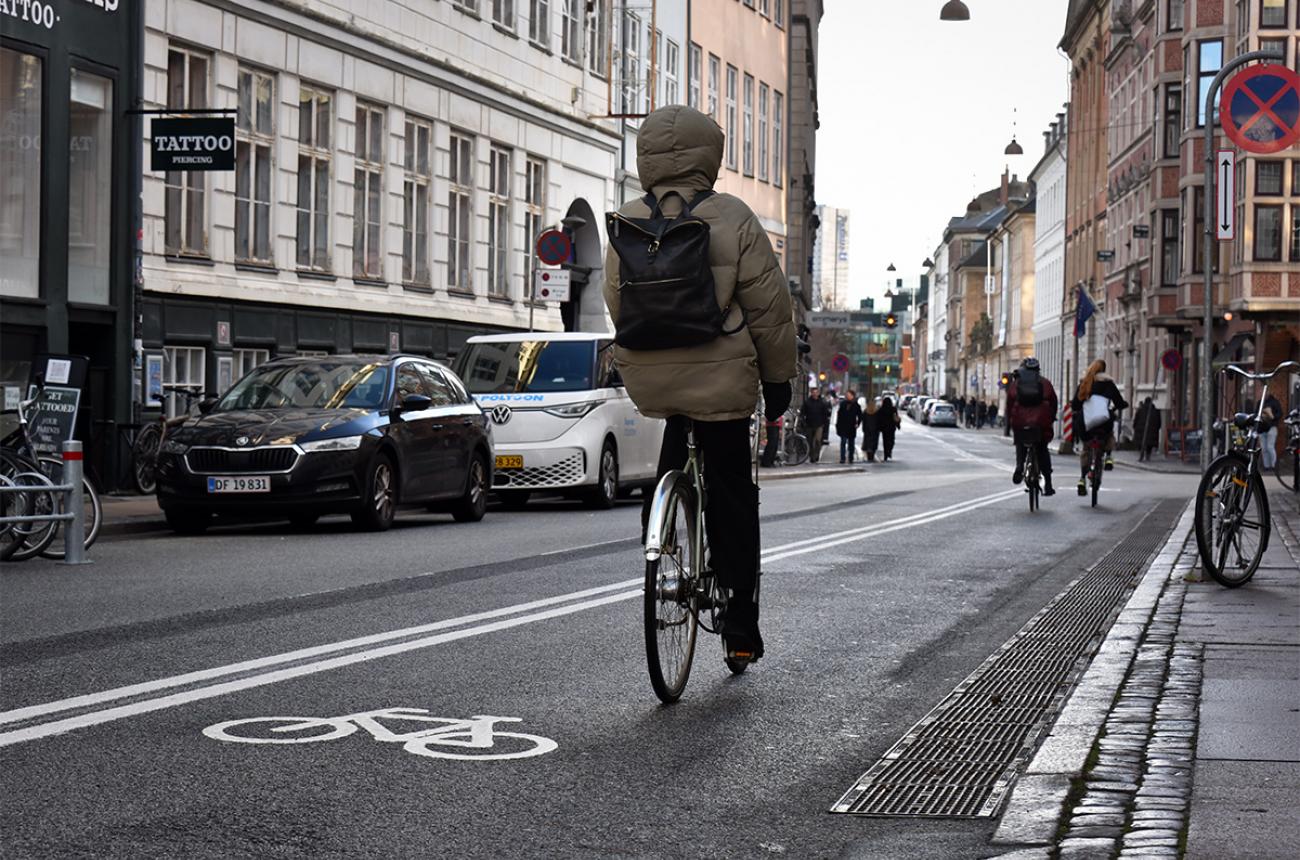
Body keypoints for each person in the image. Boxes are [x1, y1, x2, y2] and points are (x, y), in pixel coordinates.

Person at [603, 105, 797, 663]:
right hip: (722, 379)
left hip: (653, 379)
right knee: (733, 490)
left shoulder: (628, 218)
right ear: (709, 155)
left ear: (647, 157)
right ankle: (739, 626)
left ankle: (660, 527)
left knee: (675, 444)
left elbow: (617, 302)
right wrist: (779, 378)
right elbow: (770, 309)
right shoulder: (733, 217)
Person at [1072, 359, 1128, 495]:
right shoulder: (1109, 384)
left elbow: (1075, 405)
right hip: (1103, 422)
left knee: (1086, 447)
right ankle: (1108, 456)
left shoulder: (1084, 383)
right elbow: (1119, 402)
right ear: (1104, 370)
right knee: (1109, 434)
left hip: (1086, 423)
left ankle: (1082, 479)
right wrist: (1120, 405)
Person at [1006, 358, 1059, 496]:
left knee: (1020, 444)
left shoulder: (1016, 384)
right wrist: (1051, 417)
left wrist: (1010, 421)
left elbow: (1009, 404)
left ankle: (1019, 467)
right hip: (1040, 423)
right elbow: (1053, 402)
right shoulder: (1045, 383)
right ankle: (1048, 483)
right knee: (1042, 449)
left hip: (1020, 422)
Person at [801, 387, 832, 464]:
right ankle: (812, 456)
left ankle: (816, 455)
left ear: (818, 393)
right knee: (810, 441)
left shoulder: (822, 402)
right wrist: (804, 421)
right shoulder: (807, 402)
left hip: (819, 425)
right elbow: (803, 412)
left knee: (818, 440)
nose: (815, 394)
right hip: (809, 424)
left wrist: (824, 423)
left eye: (816, 392)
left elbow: (825, 414)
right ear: (811, 393)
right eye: (813, 392)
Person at [836, 389, 863, 464]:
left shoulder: (856, 405)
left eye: (849, 395)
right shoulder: (843, 404)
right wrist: (838, 425)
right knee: (843, 442)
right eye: (846, 395)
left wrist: (858, 423)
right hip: (843, 426)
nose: (847, 396)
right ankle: (842, 458)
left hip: (851, 426)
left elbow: (860, 416)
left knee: (851, 443)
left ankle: (851, 457)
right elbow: (839, 415)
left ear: (852, 396)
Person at [1260, 390, 1284, 470]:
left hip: (1272, 427)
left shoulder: (1274, 402)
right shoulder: (1260, 402)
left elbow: (1280, 413)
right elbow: (1256, 413)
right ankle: (1266, 466)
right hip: (1262, 428)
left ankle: (1273, 465)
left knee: (1270, 447)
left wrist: (1272, 416)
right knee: (1264, 448)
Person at [1133, 397, 1161, 461]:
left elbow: (1136, 420)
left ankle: (1141, 454)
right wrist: (1157, 428)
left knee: (1141, 442)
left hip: (1141, 431)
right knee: (1149, 444)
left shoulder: (1140, 410)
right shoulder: (1155, 411)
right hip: (1152, 432)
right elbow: (1159, 422)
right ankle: (1148, 455)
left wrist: (1135, 427)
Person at [878, 395, 899, 461]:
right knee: (891, 440)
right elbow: (896, 418)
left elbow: (878, 419)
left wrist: (878, 427)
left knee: (885, 441)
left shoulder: (881, 410)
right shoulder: (893, 409)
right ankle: (889, 451)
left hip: (884, 428)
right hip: (891, 428)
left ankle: (886, 453)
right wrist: (898, 425)